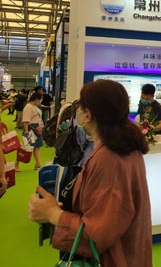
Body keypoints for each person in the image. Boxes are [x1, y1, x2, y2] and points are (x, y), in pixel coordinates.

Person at [28, 79, 152, 267]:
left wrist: (53, 214)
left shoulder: (109, 158)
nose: (78, 110)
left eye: (81, 106)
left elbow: (98, 233)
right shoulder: (125, 148)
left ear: (88, 114)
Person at [15, 92, 44, 171]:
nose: (41, 100)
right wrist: (26, 130)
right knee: (25, 148)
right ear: (36, 99)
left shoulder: (35, 106)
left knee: (37, 146)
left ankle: (38, 164)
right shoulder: (28, 107)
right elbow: (25, 120)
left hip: (37, 128)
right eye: (40, 99)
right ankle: (16, 165)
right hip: (31, 128)